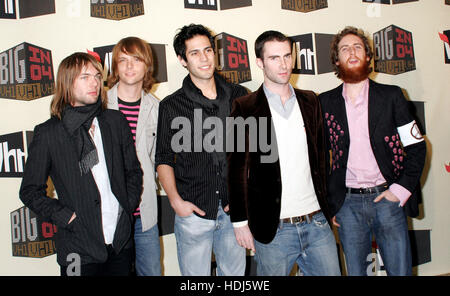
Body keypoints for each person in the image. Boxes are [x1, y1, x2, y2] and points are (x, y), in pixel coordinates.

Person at [228, 30, 341, 276]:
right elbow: (236, 169)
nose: (283, 64)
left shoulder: (311, 101)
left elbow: (322, 161)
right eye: (274, 58)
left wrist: (330, 206)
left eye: (287, 56)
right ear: (260, 62)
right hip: (274, 229)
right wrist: (239, 222)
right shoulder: (245, 108)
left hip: (317, 222)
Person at [19, 52, 143, 276]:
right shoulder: (49, 133)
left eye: (97, 76)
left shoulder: (115, 122)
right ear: (67, 82)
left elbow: (133, 172)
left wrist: (126, 206)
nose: (94, 82)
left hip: (120, 243)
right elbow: (29, 191)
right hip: (77, 249)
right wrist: (66, 217)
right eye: (85, 77)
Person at [318, 26, 426, 276]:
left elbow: (417, 147)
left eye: (357, 47)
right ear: (337, 60)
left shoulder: (391, 96)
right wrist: (331, 203)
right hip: (348, 205)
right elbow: (319, 159)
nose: (351, 52)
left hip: (388, 200)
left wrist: (399, 190)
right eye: (344, 49)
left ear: (368, 56)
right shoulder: (325, 102)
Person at [155, 24, 247, 276]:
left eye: (208, 50)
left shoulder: (240, 96)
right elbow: (163, 157)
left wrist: (244, 197)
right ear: (182, 60)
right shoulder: (172, 106)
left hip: (234, 212)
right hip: (193, 211)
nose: (204, 58)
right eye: (194, 53)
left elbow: (251, 152)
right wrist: (175, 201)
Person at [107, 36, 161, 276]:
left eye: (136, 60)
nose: (129, 67)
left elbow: (161, 160)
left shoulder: (157, 108)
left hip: (144, 213)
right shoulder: (99, 105)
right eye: (123, 60)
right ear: (115, 66)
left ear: (147, 65)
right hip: (108, 215)